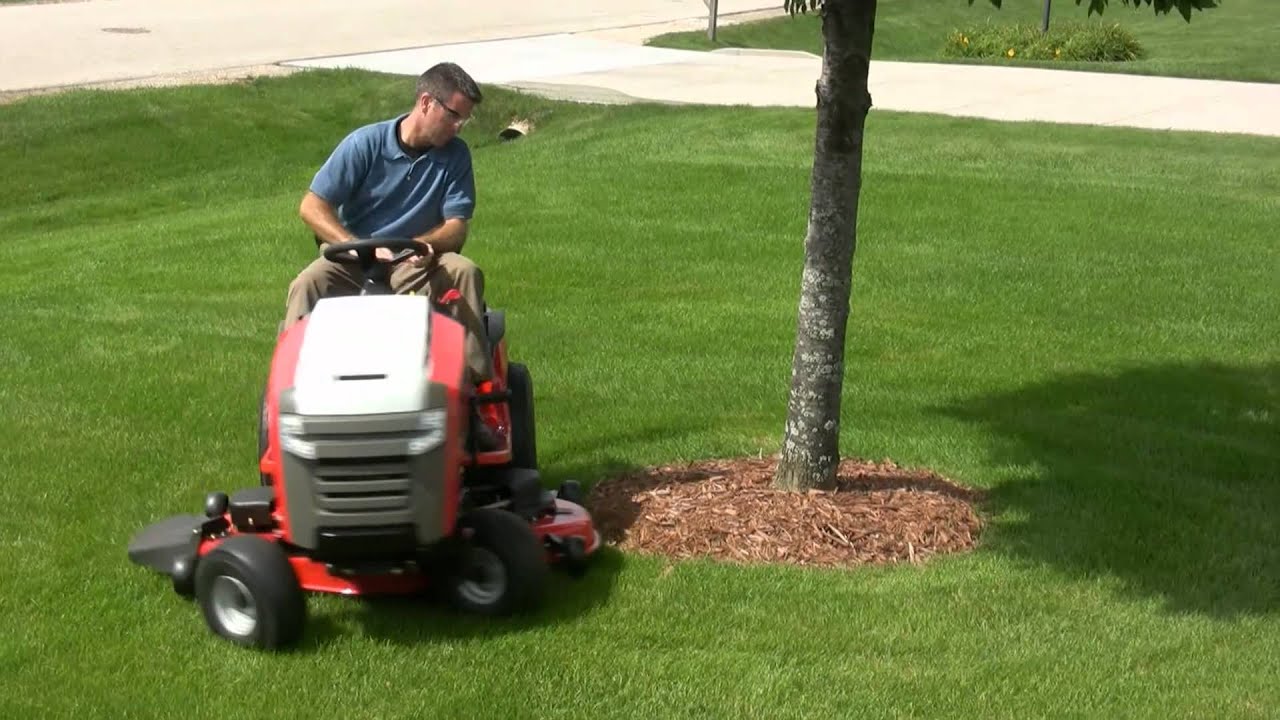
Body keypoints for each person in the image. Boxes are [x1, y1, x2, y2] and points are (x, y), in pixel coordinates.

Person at [281, 61, 501, 449]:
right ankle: (292, 404)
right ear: (425, 103)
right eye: (454, 117)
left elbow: (457, 225)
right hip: (354, 264)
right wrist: (352, 243)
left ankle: (474, 403)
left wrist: (428, 245)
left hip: (415, 264)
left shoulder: (455, 157)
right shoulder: (364, 144)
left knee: (464, 271)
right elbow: (312, 207)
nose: (458, 127)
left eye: (463, 120)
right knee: (306, 284)